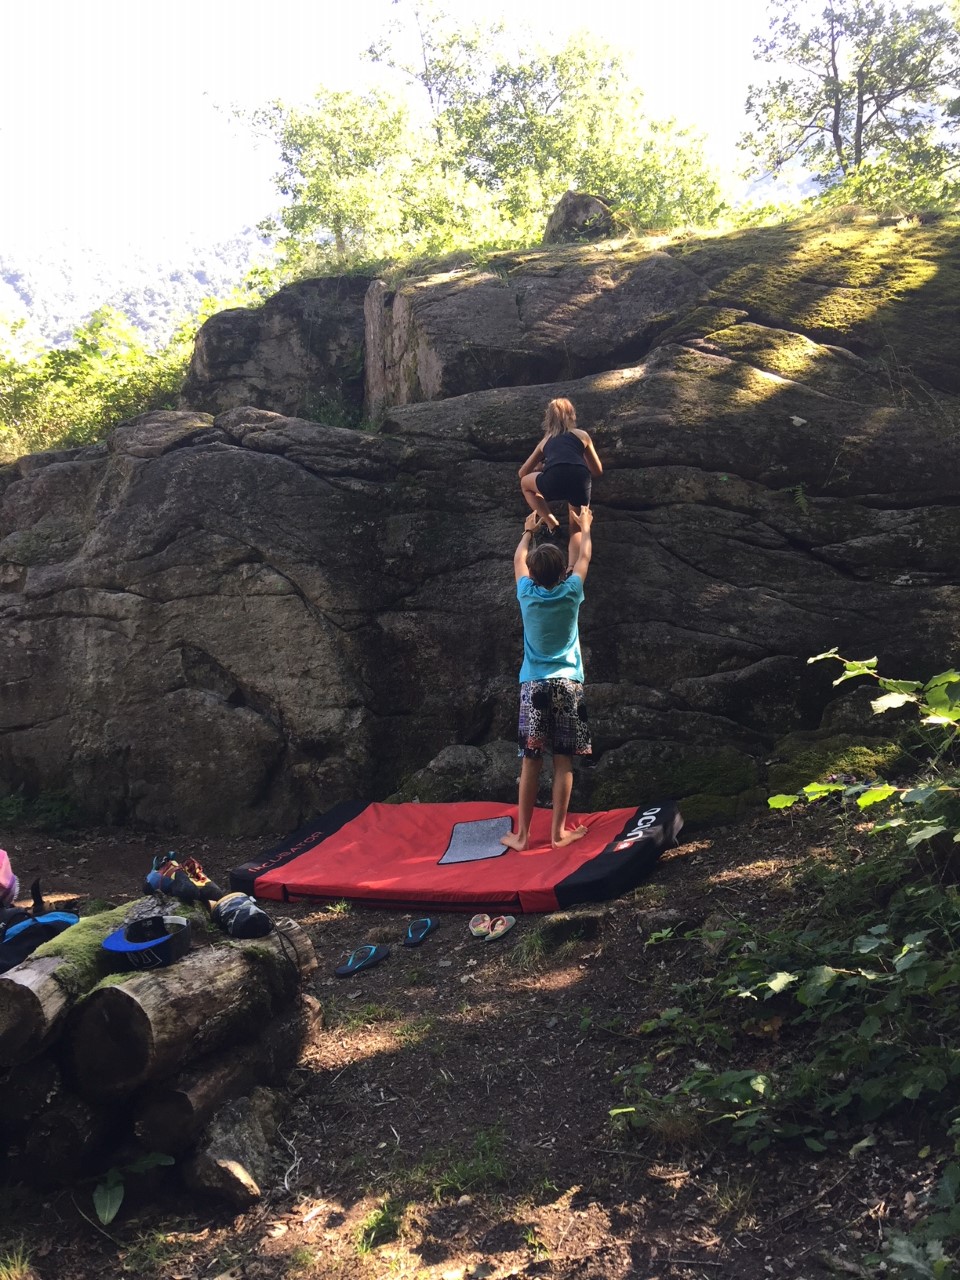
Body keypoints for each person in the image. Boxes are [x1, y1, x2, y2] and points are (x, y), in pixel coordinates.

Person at [502, 505, 594, 852]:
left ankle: (523, 836)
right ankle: (557, 835)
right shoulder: (571, 593)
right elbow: (584, 557)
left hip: (534, 685)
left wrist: (528, 530)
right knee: (563, 760)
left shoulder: (526, 593)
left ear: (534, 574)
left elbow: (517, 560)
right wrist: (584, 527)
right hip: (568, 685)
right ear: (562, 572)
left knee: (530, 760)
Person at [517, 398, 603, 542]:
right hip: (579, 478)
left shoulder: (546, 441)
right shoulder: (582, 435)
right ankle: (572, 564)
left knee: (525, 484)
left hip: (553, 479)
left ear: (548, 418)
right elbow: (597, 471)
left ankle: (552, 524)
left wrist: (540, 467)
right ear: (572, 415)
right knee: (576, 529)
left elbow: (522, 473)